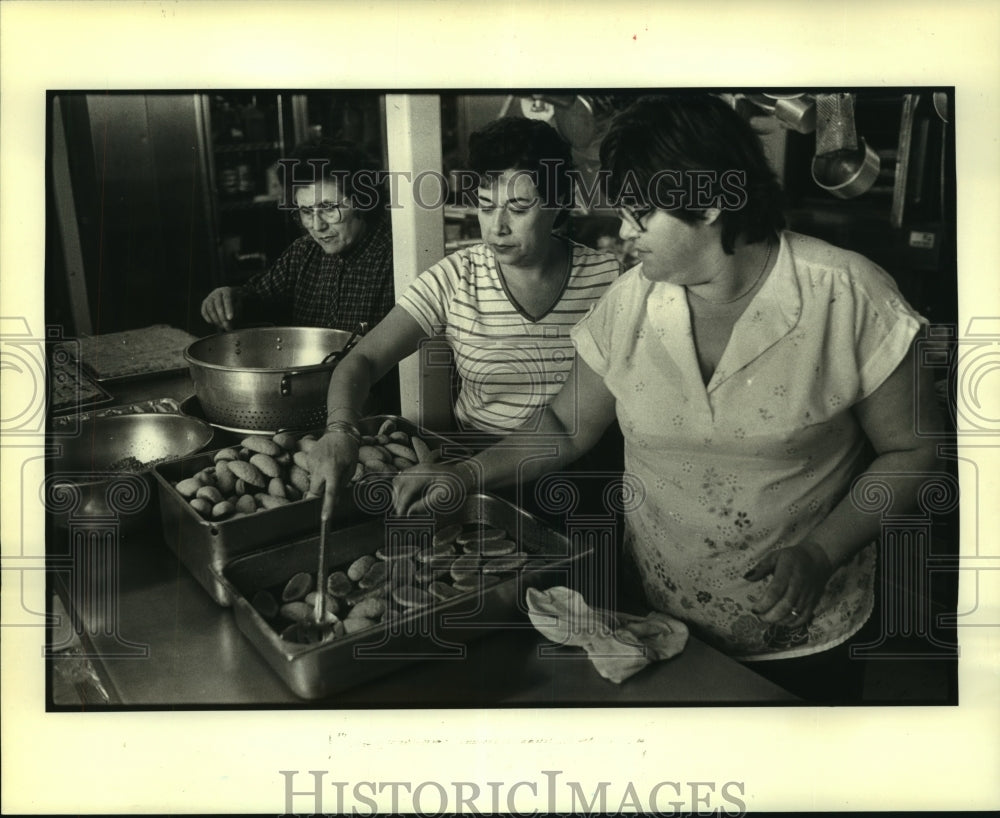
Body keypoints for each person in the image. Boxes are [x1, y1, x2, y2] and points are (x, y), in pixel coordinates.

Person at [391, 94, 945, 704]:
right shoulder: (631, 302)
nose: (625, 233)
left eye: (640, 214)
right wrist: (463, 474)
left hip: (806, 633)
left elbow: (914, 452)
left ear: (706, 203)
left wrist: (821, 551)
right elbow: (566, 426)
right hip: (658, 621)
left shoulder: (847, 295)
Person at [309, 116, 622, 519]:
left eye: (519, 208)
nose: (498, 227)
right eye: (486, 206)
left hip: (586, 479)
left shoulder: (608, 280)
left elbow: (569, 425)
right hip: (476, 474)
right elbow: (362, 360)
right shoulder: (457, 277)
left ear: (559, 203)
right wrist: (341, 430)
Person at [200, 139, 394, 333]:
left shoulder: (394, 260)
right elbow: (257, 300)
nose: (317, 226)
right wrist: (230, 299)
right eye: (306, 211)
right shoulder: (304, 252)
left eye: (329, 208)